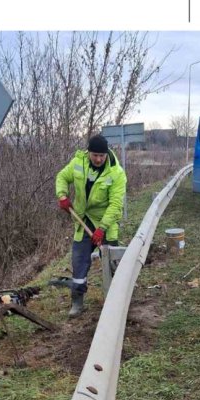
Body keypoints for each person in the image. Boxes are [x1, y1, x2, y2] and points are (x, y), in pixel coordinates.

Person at [55, 135, 127, 317]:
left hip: (106, 222)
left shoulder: (116, 173)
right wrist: (62, 196)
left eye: (101, 156)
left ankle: (118, 297)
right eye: (95, 155)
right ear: (88, 152)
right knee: (79, 261)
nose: (98, 159)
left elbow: (116, 205)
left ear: (106, 154)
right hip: (83, 220)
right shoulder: (78, 162)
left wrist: (102, 228)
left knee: (111, 260)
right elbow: (62, 176)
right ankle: (77, 302)